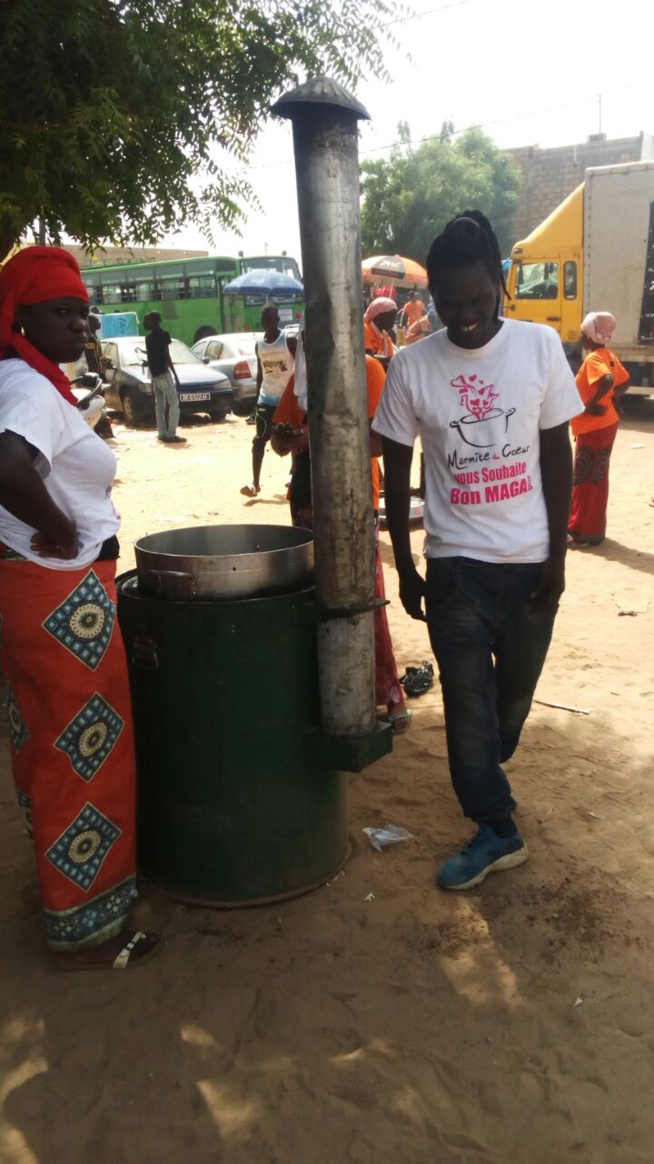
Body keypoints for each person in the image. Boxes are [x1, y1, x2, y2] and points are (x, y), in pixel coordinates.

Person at [373, 210, 582, 889]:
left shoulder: (540, 348)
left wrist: (557, 557)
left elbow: (556, 451)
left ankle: (488, 766)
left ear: (500, 284)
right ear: (430, 298)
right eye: (447, 303)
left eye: (477, 300)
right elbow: (398, 470)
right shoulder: (410, 366)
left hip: (528, 567)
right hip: (456, 567)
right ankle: (496, 826)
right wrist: (405, 566)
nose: (462, 316)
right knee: (467, 707)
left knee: (508, 710)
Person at [0, 245, 160, 970]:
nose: (80, 324)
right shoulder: (28, 391)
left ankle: (63, 892)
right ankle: (89, 923)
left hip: (29, 591)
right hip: (61, 599)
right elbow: (6, 466)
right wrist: (63, 529)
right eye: (62, 312)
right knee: (85, 753)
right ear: (21, 315)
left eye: (83, 311)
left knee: (45, 746)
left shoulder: (20, 379)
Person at [271, 334, 411, 732]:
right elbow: (282, 443)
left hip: (353, 498)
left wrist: (311, 437)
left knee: (363, 595)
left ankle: (388, 692)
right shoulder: (302, 379)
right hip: (307, 497)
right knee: (316, 594)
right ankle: (328, 689)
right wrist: (284, 439)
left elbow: (378, 440)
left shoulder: (367, 370)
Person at [568, 311, 630, 548]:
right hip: (607, 423)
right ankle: (592, 529)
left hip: (594, 426)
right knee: (597, 474)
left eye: (583, 333)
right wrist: (612, 401)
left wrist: (593, 404)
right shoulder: (608, 355)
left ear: (589, 337)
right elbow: (624, 381)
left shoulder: (594, 359)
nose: (581, 337)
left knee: (585, 476)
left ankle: (581, 530)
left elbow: (606, 381)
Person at [241, 304, 296, 497]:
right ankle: (255, 483)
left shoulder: (288, 341)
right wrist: (256, 401)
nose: (268, 323)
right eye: (265, 320)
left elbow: (301, 368)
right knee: (259, 440)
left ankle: (293, 475)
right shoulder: (259, 345)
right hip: (267, 399)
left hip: (288, 399)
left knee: (294, 439)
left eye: (271, 319)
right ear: (262, 321)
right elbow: (260, 374)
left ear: (277, 320)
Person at [144, 311, 185, 444]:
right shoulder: (164, 335)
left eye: (147, 321)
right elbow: (166, 356)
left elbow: (151, 356)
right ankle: (171, 434)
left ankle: (162, 434)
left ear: (153, 322)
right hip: (163, 373)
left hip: (154, 375)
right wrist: (176, 376)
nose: (146, 323)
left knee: (159, 405)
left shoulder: (148, 338)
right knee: (174, 403)